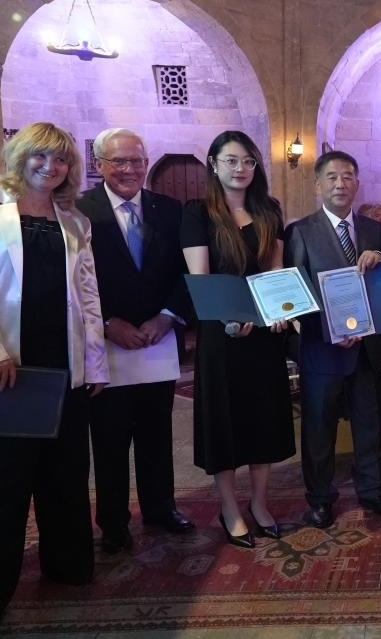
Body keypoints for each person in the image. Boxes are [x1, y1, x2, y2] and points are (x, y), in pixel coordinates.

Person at [0, 122, 109, 612]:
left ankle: (67, 563)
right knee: (9, 477)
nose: (51, 166)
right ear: (20, 156)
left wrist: (96, 364)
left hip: (66, 363)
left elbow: (89, 296)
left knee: (65, 470)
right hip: (13, 366)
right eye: (40, 156)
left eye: (61, 159)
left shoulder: (75, 222)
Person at [76, 128, 193, 556]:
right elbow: (73, 280)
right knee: (109, 438)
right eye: (119, 161)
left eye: (137, 161)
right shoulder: (78, 210)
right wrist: (108, 323)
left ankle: (160, 507)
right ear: (99, 165)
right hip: (106, 346)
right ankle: (113, 521)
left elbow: (186, 271)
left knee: (156, 432)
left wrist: (168, 315)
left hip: (158, 341)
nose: (130, 169)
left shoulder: (170, 209)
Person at [181, 131, 295, 548]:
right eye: (231, 160)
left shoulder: (268, 210)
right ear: (213, 164)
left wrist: (280, 311)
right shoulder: (198, 213)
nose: (240, 168)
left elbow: (276, 272)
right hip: (221, 332)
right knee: (225, 422)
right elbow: (202, 279)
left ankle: (260, 503)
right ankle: (229, 507)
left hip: (262, 333)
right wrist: (231, 315)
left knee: (263, 418)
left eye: (248, 161)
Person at [284, 151, 381, 527]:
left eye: (348, 176)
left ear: (357, 183)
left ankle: (373, 490)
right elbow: (296, 294)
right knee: (319, 428)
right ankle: (320, 497)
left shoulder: (374, 230)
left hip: (367, 347)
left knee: (370, 424)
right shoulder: (301, 231)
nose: (340, 183)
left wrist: (380, 255)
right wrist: (330, 330)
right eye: (331, 177)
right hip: (323, 348)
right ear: (318, 184)